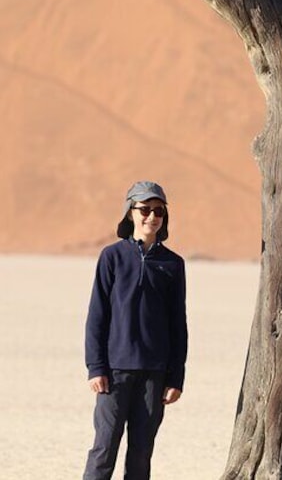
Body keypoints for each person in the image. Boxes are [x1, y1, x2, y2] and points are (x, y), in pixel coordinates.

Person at [83, 181, 188, 480]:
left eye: (158, 211)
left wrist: (175, 377)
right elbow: (97, 316)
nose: (151, 217)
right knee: (104, 449)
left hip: (154, 375)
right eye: (144, 209)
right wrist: (96, 367)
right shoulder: (111, 257)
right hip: (114, 372)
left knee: (141, 454)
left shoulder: (173, 264)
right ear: (130, 213)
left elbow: (177, 324)